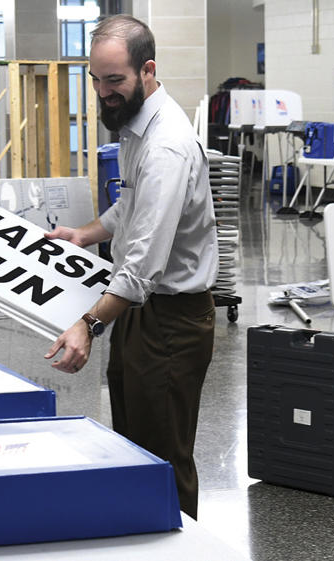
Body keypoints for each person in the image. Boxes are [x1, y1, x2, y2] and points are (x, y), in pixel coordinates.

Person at [43, 14, 218, 520]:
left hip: (171, 320)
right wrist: (85, 234)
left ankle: (183, 549)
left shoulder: (166, 144)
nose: (104, 93)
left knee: (164, 457)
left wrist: (89, 324)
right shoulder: (135, 124)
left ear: (148, 70)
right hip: (142, 314)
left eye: (114, 80)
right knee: (136, 446)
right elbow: (133, 205)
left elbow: (143, 263)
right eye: (96, 80)